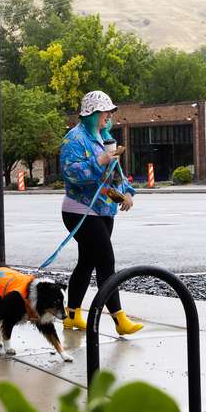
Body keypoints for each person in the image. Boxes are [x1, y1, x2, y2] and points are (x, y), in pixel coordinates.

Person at [58, 90, 144, 335]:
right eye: (105, 111)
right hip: (80, 211)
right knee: (106, 260)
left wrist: (126, 192)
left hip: (104, 210)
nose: (109, 115)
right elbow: (71, 173)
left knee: (87, 261)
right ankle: (119, 319)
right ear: (92, 113)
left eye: (110, 111)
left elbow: (114, 173)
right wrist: (101, 161)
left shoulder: (105, 137)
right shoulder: (73, 139)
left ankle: (71, 314)